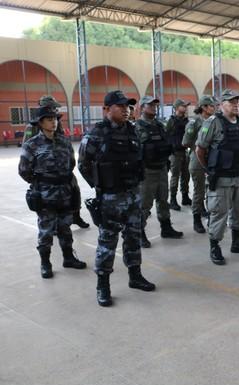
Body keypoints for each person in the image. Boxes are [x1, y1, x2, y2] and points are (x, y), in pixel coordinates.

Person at [78, 90, 155, 307]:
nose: (126, 110)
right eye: (120, 106)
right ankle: (103, 285)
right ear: (106, 109)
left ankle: (135, 276)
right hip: (110, 199)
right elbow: (83, 165)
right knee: (107, 243)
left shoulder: (133, 131)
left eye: (128, 107)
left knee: (133, 237)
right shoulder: (96, 134)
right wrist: (101, 185)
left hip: (133, 196)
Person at [19, 106, 87, 279]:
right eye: (49, 119)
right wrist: (41, 184)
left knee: (65, 227)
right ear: (41, 123)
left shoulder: (64, 142)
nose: (54, 122)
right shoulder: (32, 144)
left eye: (55, 119)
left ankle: (69, 258)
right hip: (44, 195)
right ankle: (45, 263)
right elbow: (24, 170)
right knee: (46, 231)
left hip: (65, 192)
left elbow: (71, 164)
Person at [195, 89, 239, 265]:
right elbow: (200, 149)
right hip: (221, 178)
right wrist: (209, 169)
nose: (235, 104)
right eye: (231, 101)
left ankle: (237, 242)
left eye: (237, 101)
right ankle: (215, 246)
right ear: (221, 105)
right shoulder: (213, 122)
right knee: (219, 213)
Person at [21, 95, 90, 229]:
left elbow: (65, 144)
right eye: (52, 107)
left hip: (61, 164)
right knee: (43, 198)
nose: (54, 110)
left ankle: (75, 216)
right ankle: (49, 223)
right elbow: (27, 149)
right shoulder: (34, 125)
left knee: (74, 189)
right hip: (43, 167)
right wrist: (37, 178)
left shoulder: (55, 122)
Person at [136, 96, 183, 248]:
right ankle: (139, 232)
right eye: (150, 105)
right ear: (142, 107)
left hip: (161, 168)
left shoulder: (160, 125)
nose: (154, 107)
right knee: (145, 204)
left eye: (155, 105)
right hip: (147, 171)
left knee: (163, 199)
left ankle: (166, 228)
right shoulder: (136, 127)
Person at [183, 95, 216, 234]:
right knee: (199, 191)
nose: (213, 108)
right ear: (203, 107)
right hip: (197, 160)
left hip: (212, 160)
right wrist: (199, 147)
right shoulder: (194, 122)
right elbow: (185, 142)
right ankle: (196, 219)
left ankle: (208, 213)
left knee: (212, 191)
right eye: (211, 106)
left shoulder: (214, 121)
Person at [166, 98, 191, 210]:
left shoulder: (186, 121)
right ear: (176, 108)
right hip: (175, 153)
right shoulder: (171, 121)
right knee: (175, 177)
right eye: (183, 105)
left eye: (186, 106)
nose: (185, 107)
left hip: (184, 152)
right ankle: (173, 199)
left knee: (186, 176)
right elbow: (166, 136)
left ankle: (185, 197)